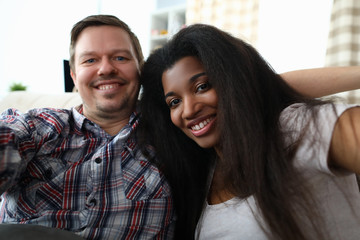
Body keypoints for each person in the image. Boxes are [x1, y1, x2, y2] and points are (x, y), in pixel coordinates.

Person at [138, 24, 360, 240]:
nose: (188, 110)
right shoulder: (206, 170)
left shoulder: (292, 128)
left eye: (202, 86)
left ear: (234, 82)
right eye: (174, 101)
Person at [0, 15, 175, 239]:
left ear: (140, 69)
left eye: (120, 57)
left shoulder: (173, 134)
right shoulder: (40, 127)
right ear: (74, 76)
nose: (105, 69)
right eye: (90, 60)